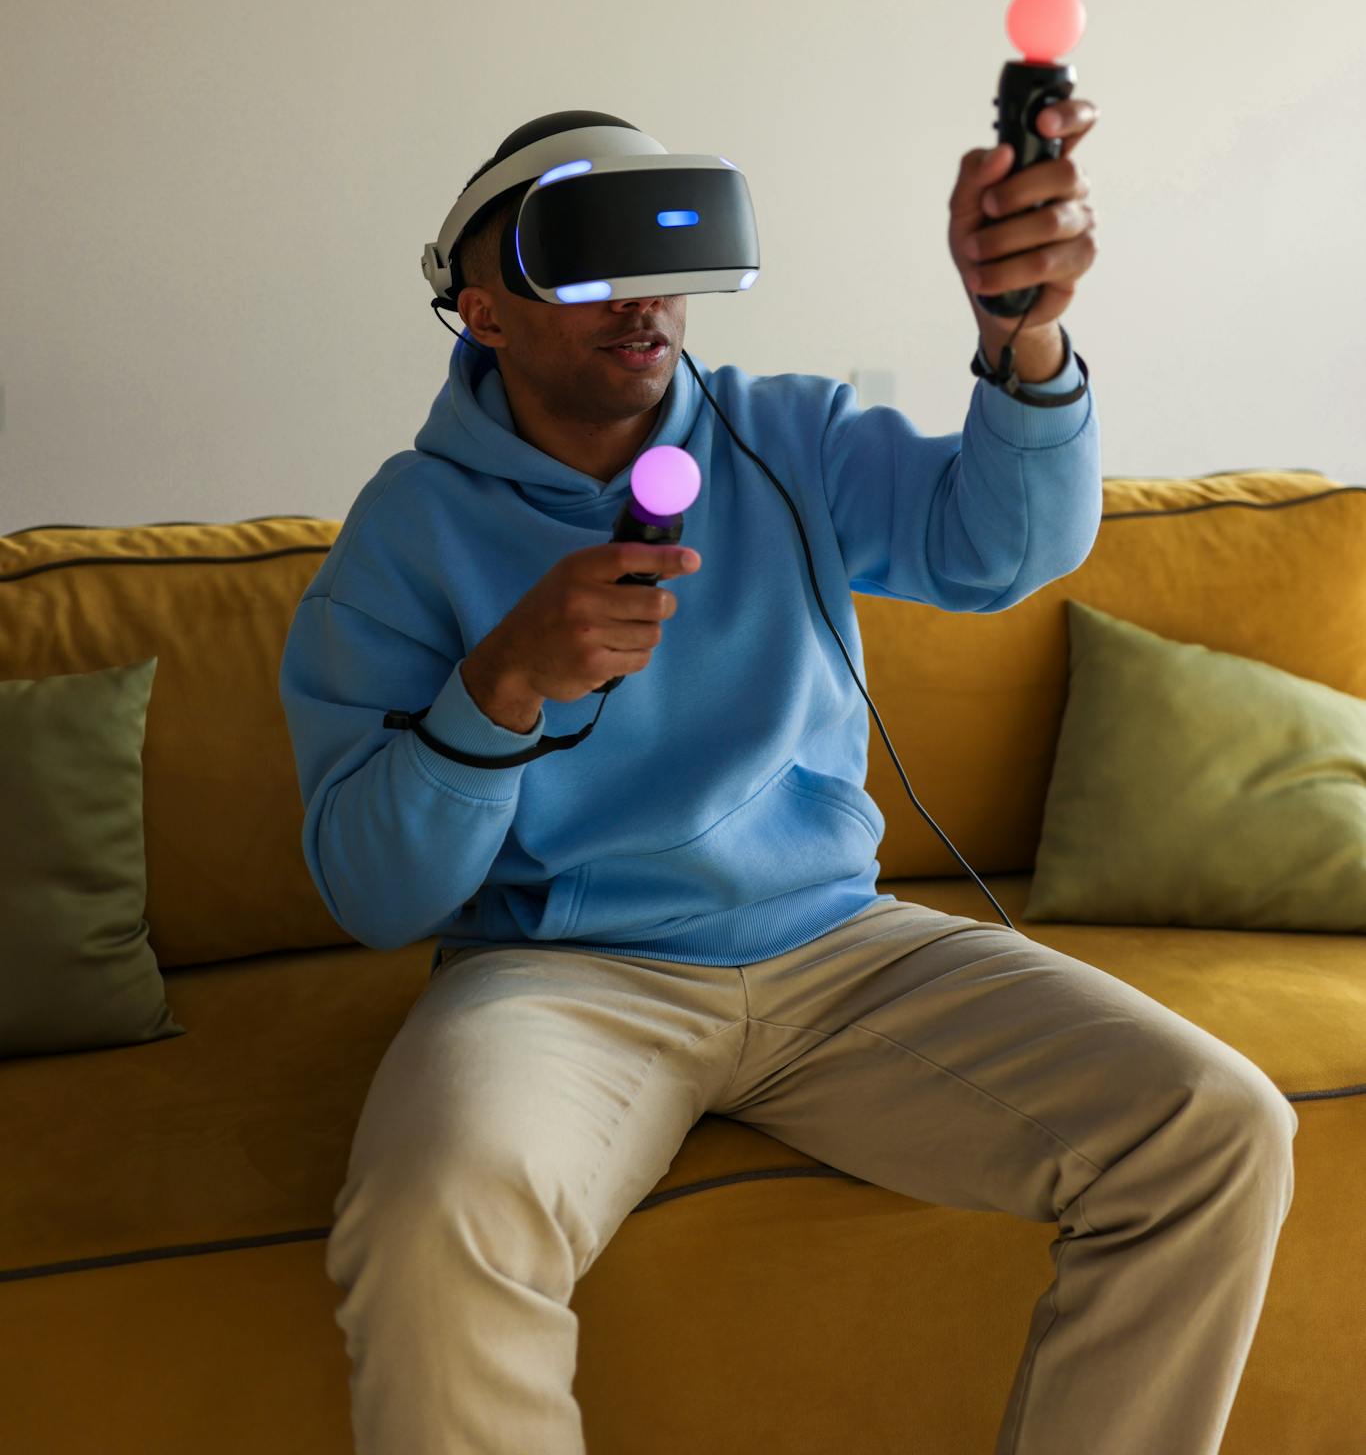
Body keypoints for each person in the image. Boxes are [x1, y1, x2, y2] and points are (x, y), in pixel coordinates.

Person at [279, 117, 1296, 1455]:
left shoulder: (782, 437)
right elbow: (371, 890)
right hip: (559, 978)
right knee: (432, 1219)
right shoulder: (404, 533)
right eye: (580, 265)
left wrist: (1022, 342)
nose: (640, 298)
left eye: (659, 254)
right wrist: (502, 686)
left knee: (1214, 1127)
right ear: (483, 315)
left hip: (837, 949)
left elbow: (997, 552)